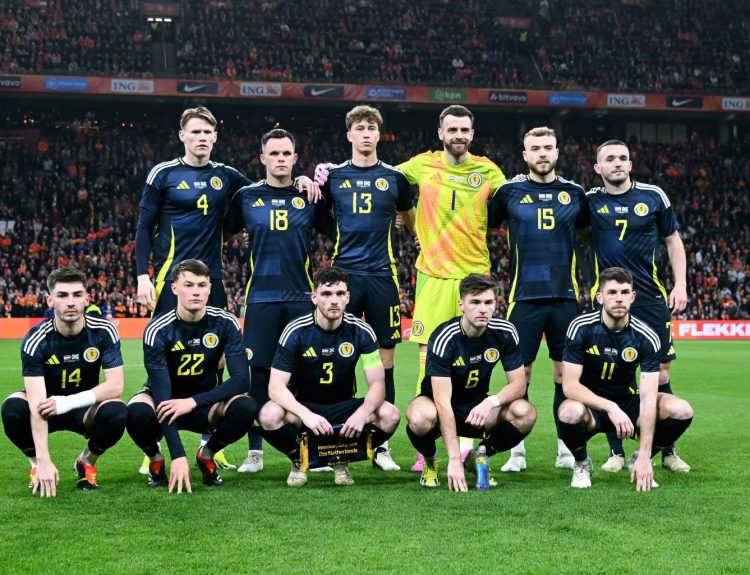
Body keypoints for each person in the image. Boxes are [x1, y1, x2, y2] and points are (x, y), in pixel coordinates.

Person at [224, 128, 332, 474]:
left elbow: (335, 230)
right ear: (263, 158)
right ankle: (255, 452)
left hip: (301, 298)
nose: (281, 159)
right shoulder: (246, 197)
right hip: (260, 299)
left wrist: (315, 186)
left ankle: (310, 450)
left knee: (304, 375)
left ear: (295, 158)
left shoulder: (309, 196)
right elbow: (224, 232)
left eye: (287, 153)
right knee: (258, 376)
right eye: (274, 153)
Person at [319, 105, 416, 471]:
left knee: (385, 361)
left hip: (381, 276)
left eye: (371, 128)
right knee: (333, 356)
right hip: (342, 276)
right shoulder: (333, 177)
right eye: (359, 128)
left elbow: (408, 215)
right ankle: (330, 441)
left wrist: (412, 232)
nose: (366, 133)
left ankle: (381, 447)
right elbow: (317, 216)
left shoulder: (395, 178)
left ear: (379, 134)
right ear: (349, 135)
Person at [586, 140, 691, 473]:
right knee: (610, 372)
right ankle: (616, 451)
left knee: (661, 373)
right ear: (598, 168)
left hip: (649, 298)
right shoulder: (589, 200)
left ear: (630, 165)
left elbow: (673, 240)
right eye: (610, 159)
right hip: (608, 299)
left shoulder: (653, 196)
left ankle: (666, 450)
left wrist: (681, 284)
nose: (617, 163)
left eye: (623, 158)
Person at [488, 127, 588, 472]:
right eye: (535, 148)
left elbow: (589, 233)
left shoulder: (575, 193)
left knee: (564, 374)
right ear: (525, 155)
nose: (542, 153)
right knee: (521, 374)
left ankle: (565, 448)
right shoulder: (508, 192)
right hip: (524, 297)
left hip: (565, 296)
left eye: (548, 147)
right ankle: (517, 452)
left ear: (557, 153)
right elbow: (481, 226)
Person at [258, 266, 401, 487]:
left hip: (344, 408)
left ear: (348, 297)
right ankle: (300, 458)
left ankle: (341, 457)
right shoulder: (295, 331)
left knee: (390, 415)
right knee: (268, 415)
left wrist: (362, 414)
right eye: (326, 294)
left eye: (340, 293)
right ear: (314, 298)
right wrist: (306, 414)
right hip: (304, 407)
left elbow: (377, 385)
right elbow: (275, 387)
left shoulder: (362, 331)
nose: (334, 300)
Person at [125, 259, 256, 493]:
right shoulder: (158, 329)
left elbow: (241, 380)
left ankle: (207, 454)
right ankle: (155, 458)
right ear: (174, 288)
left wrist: (193, 401)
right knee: (135, 411)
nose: (196, 291)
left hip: (204, 403)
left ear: (210, 289)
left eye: (201, 285)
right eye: (188, 285)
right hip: (164, 401)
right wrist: (178, 456)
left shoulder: (226, 322)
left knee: (245, 407)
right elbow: (163, 397)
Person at [558, 267, 693, 490]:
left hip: (629, 405)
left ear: (633, 297)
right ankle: (582, 463)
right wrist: (610, 407)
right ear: (599, 297)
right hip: (591, 407)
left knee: (682, 410)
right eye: (611, 292)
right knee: (568, 412)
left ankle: (639, 459)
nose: (618, 298)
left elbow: (648, 398)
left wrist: (645, 455)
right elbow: (570, 386)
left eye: (624, 292)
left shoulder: (646, 336)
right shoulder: (581, 328)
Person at [1, 265, 127, 496]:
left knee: (117, 411)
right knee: (12, 408)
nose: (70, 302)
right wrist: (43, 459)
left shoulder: (104, 331)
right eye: (62, 295)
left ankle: (86, 461)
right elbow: (36, 403)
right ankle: (36, 466)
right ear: (50, 301)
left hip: (84, 408)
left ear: (87, 299)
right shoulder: (36, 339)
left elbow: (116, 386)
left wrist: (67, 402)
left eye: (77, 295)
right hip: (46, 406)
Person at [405, 274, 535, 490]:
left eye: (488, 302)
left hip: (477, 407)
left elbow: (519, 384)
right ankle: (430, 459)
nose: (483, 309)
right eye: (475, 302)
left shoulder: (505, 332)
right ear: (461, 305)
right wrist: (454, 458)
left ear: (495, 305)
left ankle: (480, 454)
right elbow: (442, 402)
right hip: (437, 406)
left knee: (525, 413)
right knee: (419, 417)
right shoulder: (444, 337)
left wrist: (491, 402)